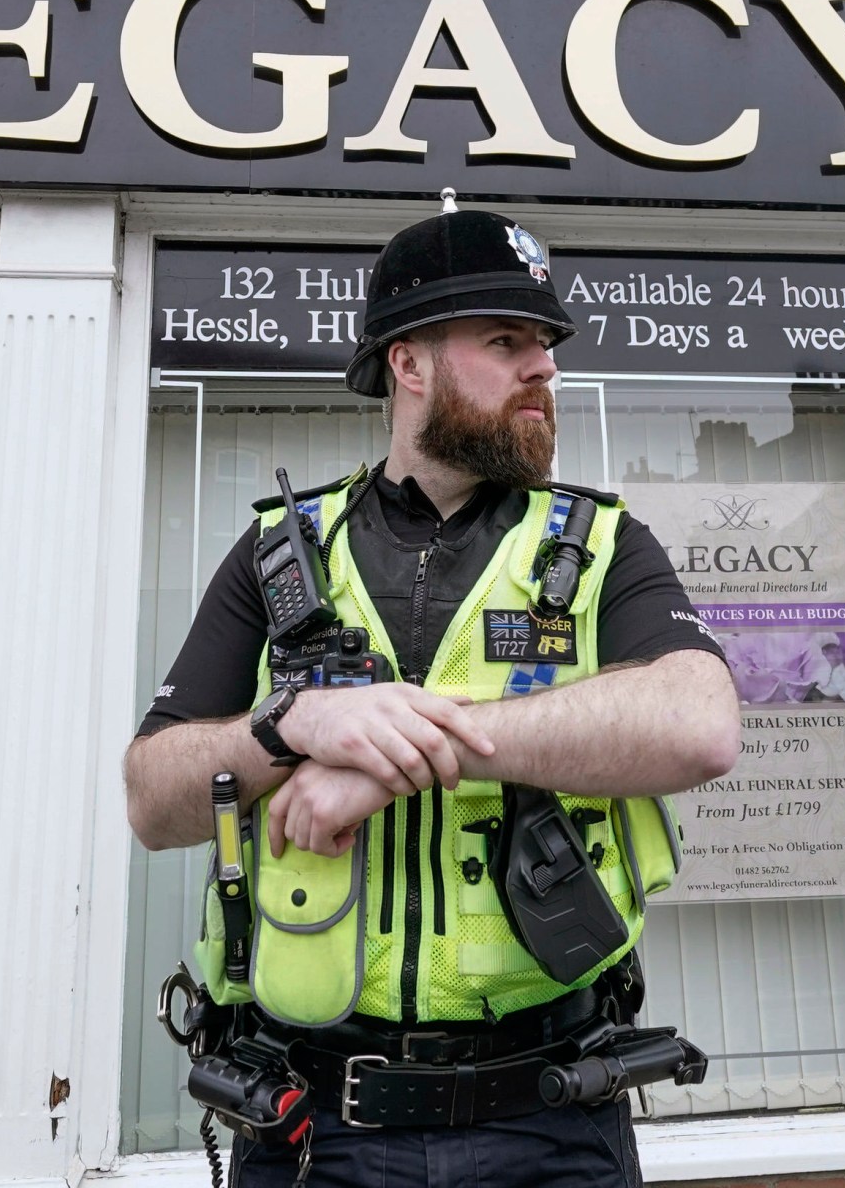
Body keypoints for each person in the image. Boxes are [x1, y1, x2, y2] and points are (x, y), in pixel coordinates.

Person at [125, 207, 741, 1188]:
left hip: (550, 1119)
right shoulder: (281, 553)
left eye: (543, 344)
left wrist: (399, 761)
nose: (541, 366)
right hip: (311, 1124)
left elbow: (699, 724)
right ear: (408, 366)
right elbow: (153, 803)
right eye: (505, 342)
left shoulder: (601, 544)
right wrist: (291, 724)